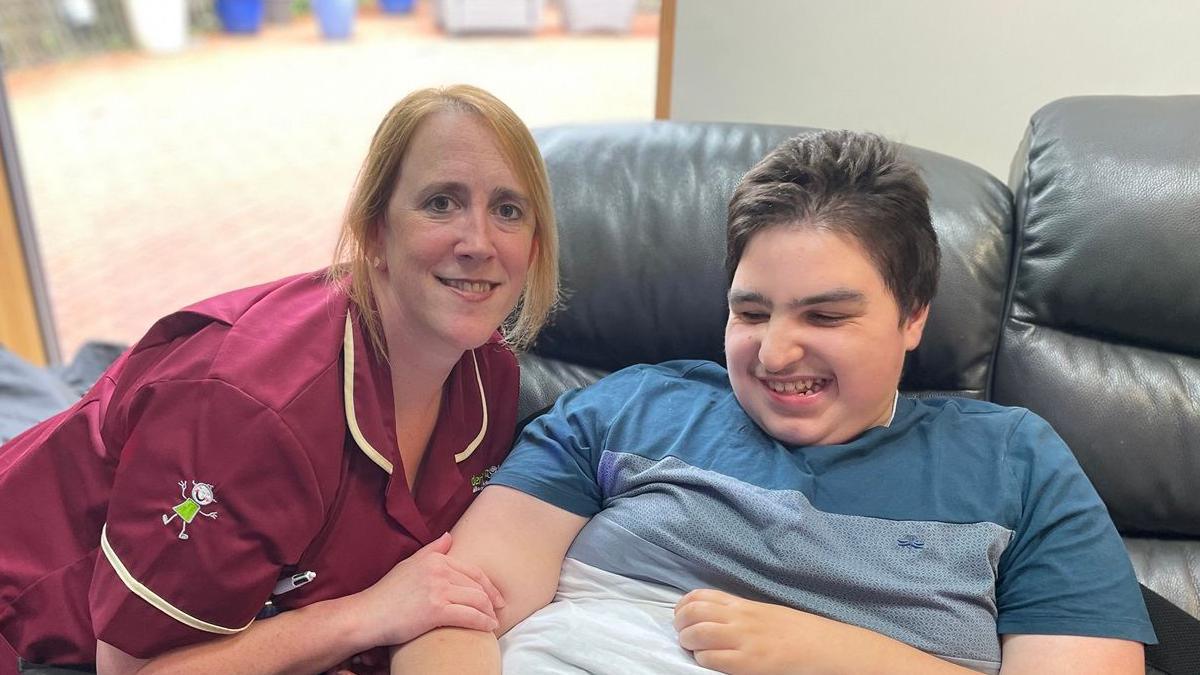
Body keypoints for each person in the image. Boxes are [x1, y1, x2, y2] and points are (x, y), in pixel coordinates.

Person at [390, 130, 1156, 675]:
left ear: (914, 314)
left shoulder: (1017, 464)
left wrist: (835, 654)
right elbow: (457, 611)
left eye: (825, 316)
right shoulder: (625, 410)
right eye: (751, 313)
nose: (775, 351)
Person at [0, 84, 558, 675]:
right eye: (441, 203)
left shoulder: (488, 376)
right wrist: (367, 614)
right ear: (374, 234)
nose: (478, 242)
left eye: (508, 210)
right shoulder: (253, 411)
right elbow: (133, 668)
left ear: (535, 244)